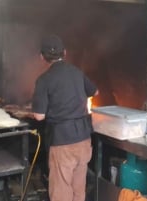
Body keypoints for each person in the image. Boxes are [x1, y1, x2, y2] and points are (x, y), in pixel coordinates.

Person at [32, 35, 99, 201]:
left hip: (62, 142)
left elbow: (39, 116)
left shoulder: (44, 79)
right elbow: (95, 92)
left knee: (61, 191)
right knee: (78, 189)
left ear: (42, 57)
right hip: (83, 139)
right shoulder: (77, 72)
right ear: (65, 53)